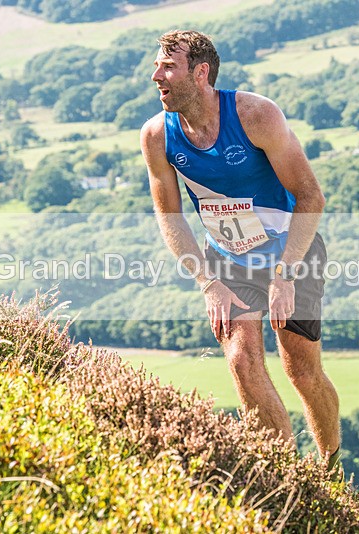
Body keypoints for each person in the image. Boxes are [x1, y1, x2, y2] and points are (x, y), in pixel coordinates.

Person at [139, 30, 342, 478]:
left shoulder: (255, 115)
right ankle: (285, 481)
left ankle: (330, 470)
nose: (156, 76)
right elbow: (169, 218)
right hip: (227, 260)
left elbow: (311, 197)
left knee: (302, 370)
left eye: (167, 67)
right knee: (241, 359)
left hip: (293, 249)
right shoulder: (157, 135)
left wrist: (285, 274)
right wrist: (207, 282)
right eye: (157, 65)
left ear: (201, 73)